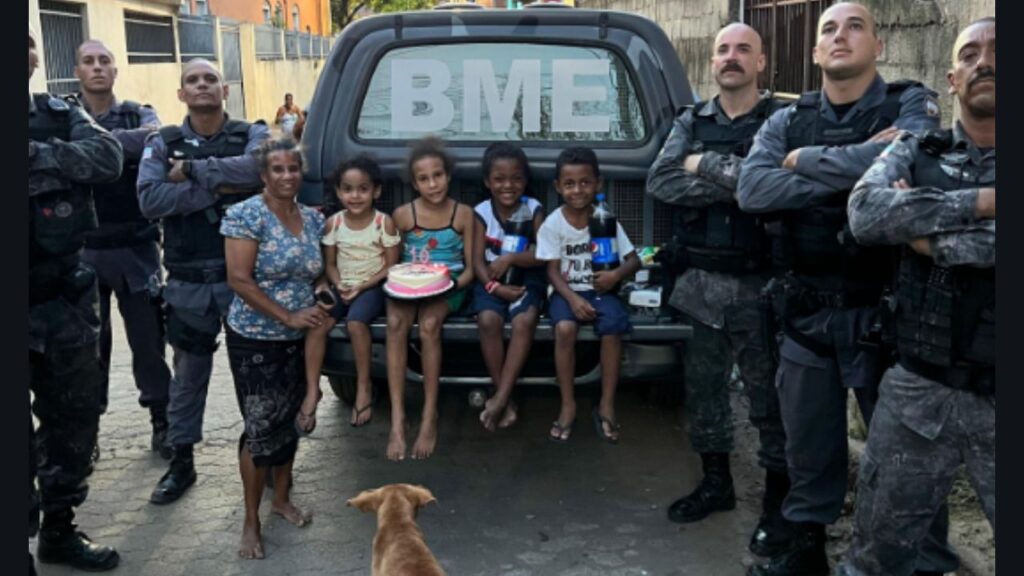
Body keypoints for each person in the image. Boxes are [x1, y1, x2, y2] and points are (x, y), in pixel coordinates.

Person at [736, 3, 950, 575]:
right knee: (809, 446)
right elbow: (754, 189)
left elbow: (917, 163)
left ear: (879, 46)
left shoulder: (908, 101)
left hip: (887, 311)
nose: (840, 36)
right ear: (813, 52)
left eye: (856, 26)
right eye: (828, 28)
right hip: (808, 311)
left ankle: (924, 562)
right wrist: (862, 180)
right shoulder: (786, 118)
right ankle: (806, 550)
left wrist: (806, 164)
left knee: (909, 457)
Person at [837, 17, 995, 576]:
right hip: (916, 390)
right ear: (951, 79)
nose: (984, 62)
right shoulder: (913, 147)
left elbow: (894, 218)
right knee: (875, 558)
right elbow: (865, 213)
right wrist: (982, 203)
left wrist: (925, 239)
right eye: (970, 54)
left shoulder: (913, 170)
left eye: (997, 50)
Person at [645, 23, 791, 555]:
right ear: (712, 63)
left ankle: (779, 505)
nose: (731, 58)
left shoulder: (783, 120)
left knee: (767, 400)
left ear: (761, 62)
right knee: (705, 393)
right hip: (700, 282)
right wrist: (745, 182)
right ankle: (717, 484)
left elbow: (779, 192)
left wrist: (705, 166)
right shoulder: (692, 119)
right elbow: (661, 181)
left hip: (761, 283)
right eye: (723, 50)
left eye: (743, 50)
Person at [138, 58, 270, 505]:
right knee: (189, 378)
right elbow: (151, 199)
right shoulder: (164, 141)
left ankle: (263, 457)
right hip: (189, 281)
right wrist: (221, 186)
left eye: (210, 78)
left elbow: (259, 171)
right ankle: (181, 464)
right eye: (192, 80)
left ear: (224, 88)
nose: (202, 85)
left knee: (253, 376)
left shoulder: (252, 134)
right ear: (181, 94)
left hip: (244, 280)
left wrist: (193, 171)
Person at [29, 27, 123, 572]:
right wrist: (57, 164)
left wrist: (34, 153)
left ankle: (59, 531)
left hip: (62, 299)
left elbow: (106, 159)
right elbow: (80, 162)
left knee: (74, 421)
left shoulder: (59, 113)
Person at [222, 138, 326, 559]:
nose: (287, 176)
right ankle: (251, 520)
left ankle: (281, 499)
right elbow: (239, 279)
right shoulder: (246, 215)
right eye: (277, 170)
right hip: (254, 338)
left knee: (291, 421)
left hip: (300, 339)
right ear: (264, 176)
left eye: (293, 168)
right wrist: (287, 316)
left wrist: (321, 292)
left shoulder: (314, 219)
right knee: (260, 429)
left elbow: (317, 271)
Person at [73, 39, 173, 460]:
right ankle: (87, 431)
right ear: (77, 70)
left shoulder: (138, 112)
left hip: (136, 249)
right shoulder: (62, 111)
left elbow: (154, 138)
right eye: (88, 61)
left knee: (149, 344)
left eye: (105, 61)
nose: (97, 68)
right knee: (87, 350)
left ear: (115, 70)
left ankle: (162, 423)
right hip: (82, 252)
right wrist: (117, 147)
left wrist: (89, 147)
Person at [535, 146, 641, 443]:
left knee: (612, 330)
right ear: (558, 187)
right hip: (566, 291)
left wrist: (615, 276)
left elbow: (634, 259)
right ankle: (568, 404)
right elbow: (552, 272)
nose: (577, 190)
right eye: (569, 184)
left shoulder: (604, 219)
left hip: (601, 289)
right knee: (565, 329)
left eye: (585, 182)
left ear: (598, 183)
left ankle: (607, 403)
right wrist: (572, 299)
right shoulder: (553, 224)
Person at [386, 136, 475, 461]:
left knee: (429, 324)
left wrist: (448, 287)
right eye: (423, 178)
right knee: (395, 323)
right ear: (414, 183)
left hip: (448, 287)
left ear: (448, 176)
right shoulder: (403, 216)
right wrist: (407, 284)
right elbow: (393, 264)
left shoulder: (463, 215)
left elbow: (469, 269)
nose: (432, 184)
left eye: (438, 175)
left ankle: (429, 414)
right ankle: (398, 418)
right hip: (409, 286)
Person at [305, 154, 401, 427]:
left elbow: (391, 266)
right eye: (347, 189)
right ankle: (312, 389)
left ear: (376, 191)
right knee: (317, 323)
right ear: (338, 192)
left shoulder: (384, 223)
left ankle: (363, 387)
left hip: (373, 286)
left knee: (357, 323)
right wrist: (339, 284)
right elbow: (331, 263)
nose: (355, 196)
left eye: (363, 189)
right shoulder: (334, 223)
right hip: (343, 285)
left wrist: (362, 286)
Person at [471, 142, 546, 431]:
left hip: (527, 276)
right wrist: (493, 287)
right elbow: (477, 261)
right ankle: (504, 394)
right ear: (487, 182)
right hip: (490, 280)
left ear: (525, 181)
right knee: (489, 320)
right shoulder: (481, 212)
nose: (508, 185)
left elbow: (544, 253)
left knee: (524, 320)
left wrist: (512, 258)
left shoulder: (533, 208)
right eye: (499, 179)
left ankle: (500, 398)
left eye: (516, 178)